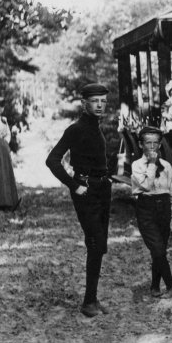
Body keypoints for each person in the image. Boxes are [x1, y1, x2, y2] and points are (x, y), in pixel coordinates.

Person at [45, 83, 114, 318]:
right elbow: (52, 160)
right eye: (95, 101)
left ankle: (92, 299)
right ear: (84, 103)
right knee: (95, 243)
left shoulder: (96, 128)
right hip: (86, 191)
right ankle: (88, 302)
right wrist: (75, 185)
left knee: (99, 245)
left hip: (102, 189)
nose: (100, 105)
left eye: (103, 101)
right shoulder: (76, 129)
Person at [130, 126, 172, 299]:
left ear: (160, 145)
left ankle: (154, 287)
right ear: (141, 144)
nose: (152, 147)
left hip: (164, 209)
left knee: (159, 251)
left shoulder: (166, 166)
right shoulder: (137, 165)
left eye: (156, 143)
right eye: (148, 143)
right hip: (146, 209)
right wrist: (151, 164)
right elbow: (145, 185)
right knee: (158, 249)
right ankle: (171, 287)